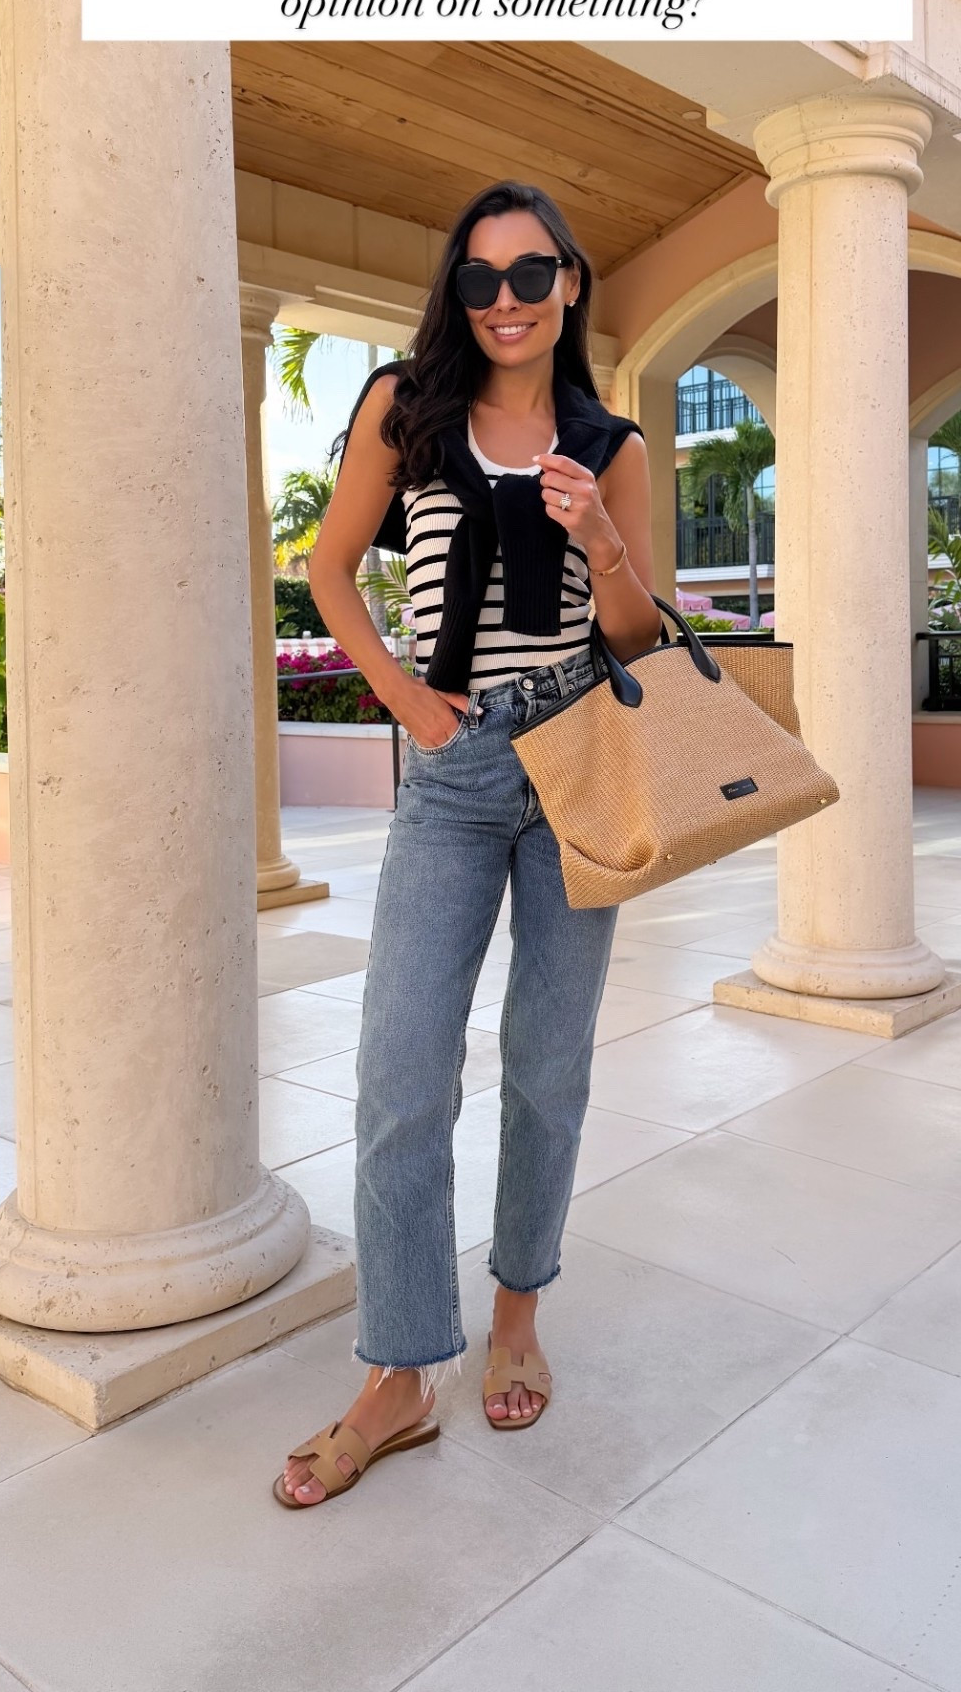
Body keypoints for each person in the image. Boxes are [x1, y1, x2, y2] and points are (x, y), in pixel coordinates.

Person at [274, 179, 659, 1509]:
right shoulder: (406, 409)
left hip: (577, 764)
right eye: (481, 278)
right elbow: (332, 568)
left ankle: (516, 1316)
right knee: (399, 1074)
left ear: (569, 286)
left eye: (530, 273)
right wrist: (401, 699)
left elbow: (633, 639)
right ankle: (398, 1375)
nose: (505, 300)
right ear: (459, 291)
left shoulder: (611, 441)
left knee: (549, 1067)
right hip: (451, 771)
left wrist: (601, 535)